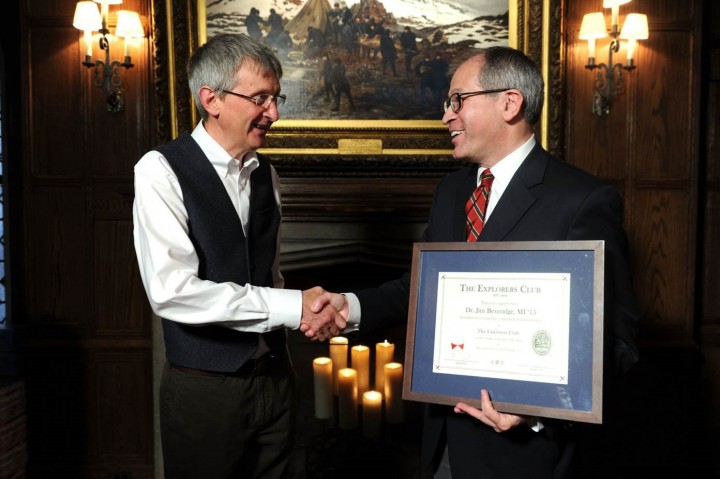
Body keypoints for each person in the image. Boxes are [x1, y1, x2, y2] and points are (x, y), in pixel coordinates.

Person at [313, 46, 639, 478]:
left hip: (525, 457)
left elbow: (618, 346)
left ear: (510, 102)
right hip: (442, 441)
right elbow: (422, 290)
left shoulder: (581, 200)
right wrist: (348, 306)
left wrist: (538, 411)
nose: (446, 115)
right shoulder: (451, 192)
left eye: (457, 100)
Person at [132, 33, 345, 478]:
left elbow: (268, 273)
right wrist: (294, 307)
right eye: (261, 98)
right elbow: (172, 292)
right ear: (211, 99)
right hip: (205, 392)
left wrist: (304, 315)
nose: (275, 113)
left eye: (276, 97)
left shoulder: (267, 172)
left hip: (277, 380)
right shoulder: (160, 170)